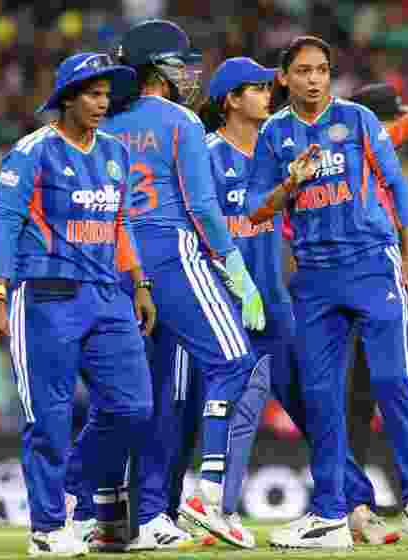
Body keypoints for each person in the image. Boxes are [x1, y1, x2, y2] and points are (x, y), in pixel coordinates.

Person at [65, 19, 268, 551]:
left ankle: (105, 513)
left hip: (114, 261)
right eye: (180, 63)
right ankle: (205, 494)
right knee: (233, 363)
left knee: (132, 397)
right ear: (157, 68)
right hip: (171, 252)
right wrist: (236, 270)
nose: (189, 73)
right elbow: (201, 205)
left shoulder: (105, 123)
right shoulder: (179, 119)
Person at [247, 35, 408, 549]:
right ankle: (330, 514)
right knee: (320, 397)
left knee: (391, 381)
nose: (315, 79)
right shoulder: (273, 134)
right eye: (304, 71)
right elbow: (255, 209)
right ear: (284, 78)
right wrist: (287, 186)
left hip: (370, 264)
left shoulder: (357, 119)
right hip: (313, 277)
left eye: (322, 69)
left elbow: (397, 187)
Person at [0, 51, 154, 557]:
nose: (102, 104)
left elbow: (120, 223)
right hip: (44, 296)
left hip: (109, 297)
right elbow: (6, 227)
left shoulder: (117, 153)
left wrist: (139, 282)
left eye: (106, 95)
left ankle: (73, 492)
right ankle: (47, 527)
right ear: (67, 99)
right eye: (93, 95)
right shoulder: (32, 152)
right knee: (49, 418)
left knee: (133, 408)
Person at [345, 80, 408, 526]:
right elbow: (375, 140)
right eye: (392, 116)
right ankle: (350, 499)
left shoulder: (379, 167)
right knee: (360, 396)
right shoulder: (353, 152)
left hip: (377, 280)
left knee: (370, 394)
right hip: (348, 280)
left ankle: (366, 498)